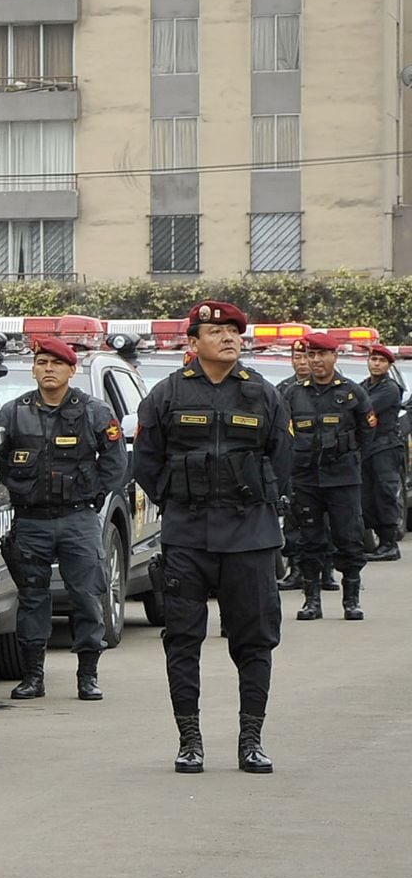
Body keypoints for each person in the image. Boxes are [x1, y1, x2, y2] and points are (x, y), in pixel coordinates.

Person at [134, 301, 293, 775]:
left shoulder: (262, 394)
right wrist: (180, 498)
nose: (228, 337)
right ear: (193, 342)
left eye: (233, 331)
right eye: (215, 331)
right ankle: (190, 740)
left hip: (250, 536)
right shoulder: (167, 395)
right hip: (188, 536)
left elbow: (282, 460)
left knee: (255, 641)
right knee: (182, 639)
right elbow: (145, 462)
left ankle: (251, 740)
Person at [0, 336, 126, 701]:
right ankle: (33, 677)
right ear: (33, 369)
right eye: (41, 363)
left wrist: (96, 497)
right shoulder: (13, 412)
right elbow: (1, 461)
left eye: (56, 364)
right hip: (31, 520)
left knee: (86, 596)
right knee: (33, 598)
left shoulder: (94, 411)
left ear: (71, 369)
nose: (48, 370)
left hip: (78, 519)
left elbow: (115, 461)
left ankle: (88, 675)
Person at [284, 332, 376, 621]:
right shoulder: (293, 393)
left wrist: (350, 459)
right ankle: (312, 601)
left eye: (322, 355)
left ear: (334, 357)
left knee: (348, 538)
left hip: (343, 479)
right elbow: (284, 435)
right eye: (311, 355)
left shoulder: (351, 392)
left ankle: (351, 600)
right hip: (306, 479)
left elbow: (368, 430)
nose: (316, 361)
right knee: (309, 540)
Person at [360, 343, 405, 562]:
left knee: (384, 494)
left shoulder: (389, 388)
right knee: (368, 496)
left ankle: (389, 544)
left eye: (381, 361)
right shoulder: (364, 385)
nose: (376, 364)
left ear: (388, 365)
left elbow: (364, 408)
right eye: (373, 360)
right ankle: (379, 541)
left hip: (385, 448)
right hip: (368, 448)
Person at [275, 343, 313, 591]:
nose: (301, 362)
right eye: (296, 357)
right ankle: (297, 569)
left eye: (305, 357)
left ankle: (324, 571)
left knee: (321, 521)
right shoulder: (283, 390)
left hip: (319, 466)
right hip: (292, 463)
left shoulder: (324, 388)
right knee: (293, 519)